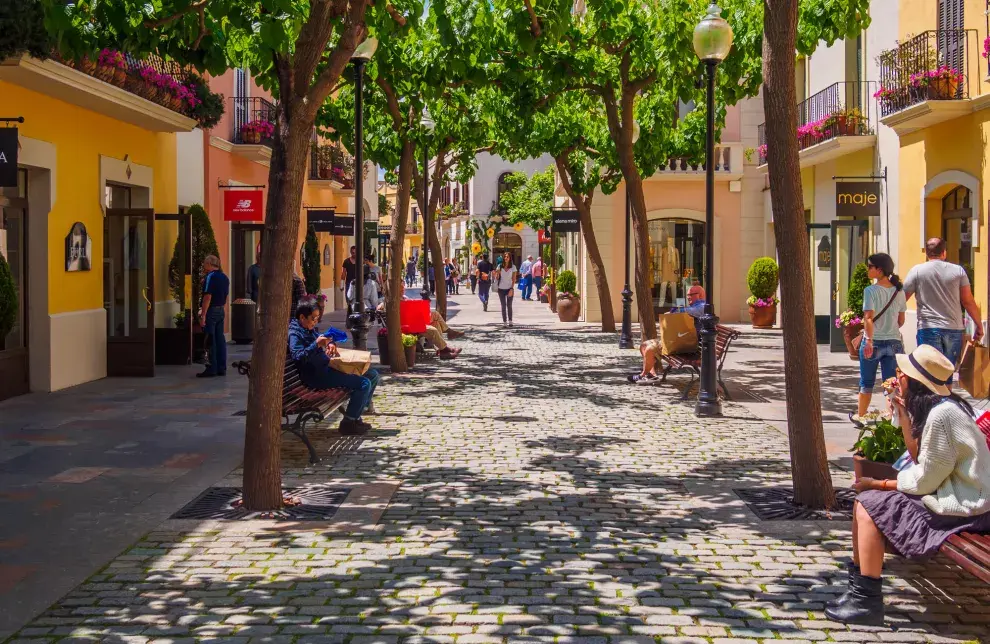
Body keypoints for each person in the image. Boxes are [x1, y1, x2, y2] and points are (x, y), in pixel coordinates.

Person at [826, 344, 990, 626]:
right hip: (955, 497)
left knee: (868, 503)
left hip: (965, 506)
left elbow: (925, 478)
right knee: (865, 501)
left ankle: (866, 601)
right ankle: (858, 589)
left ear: (915, 381)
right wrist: (903, 415)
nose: (898, 375)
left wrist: (881, 483)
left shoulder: (943, 415)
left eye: (903, 372)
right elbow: (919, 458)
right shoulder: (940, 409)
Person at [289, 297, 380, 435]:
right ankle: (348, 422)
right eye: (313, 318)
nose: (315, 322)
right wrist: (317, 345)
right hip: (316, 377)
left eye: (317, 318)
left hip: (327, 367)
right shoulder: (295, 333)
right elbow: (298, 356)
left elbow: (320, 339)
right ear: (302, 317)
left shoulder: (308, 328)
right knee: (363, 384)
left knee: (372, 375)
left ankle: (356, 416)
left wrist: (330, 343)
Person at [904, 237, 983, 380]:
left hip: (928, 328)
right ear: (944, 252)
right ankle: (946, 401)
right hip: (954, 329)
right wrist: (979, 325)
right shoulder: (958, 271)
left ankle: (932, 401)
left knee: (929, 374)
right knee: (947, 374)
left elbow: (901, 299)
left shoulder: (917, 271)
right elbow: (968, 301)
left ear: (927, 253)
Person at [850, 253, 907, 427]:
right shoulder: (899, 291)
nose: (868, 269)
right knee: (891, 384)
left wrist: (868, 340)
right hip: (894, 343)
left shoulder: (870, 291)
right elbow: (901, 320)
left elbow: (868, 318)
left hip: (873, 343)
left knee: (866, 382)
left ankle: (861, 416)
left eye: (870, 266)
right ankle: (893, 419)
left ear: (879, 270)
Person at [628, 286, 706, 385]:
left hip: (687, 347)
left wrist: (676, 310)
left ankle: (642, 375)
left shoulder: (703, 306)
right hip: (681, 341)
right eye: (687, 295)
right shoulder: (694, 306)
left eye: (691, 295)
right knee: (644, 345)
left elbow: (693, 311)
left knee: (649, 349)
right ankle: (651, 375)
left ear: (700, 295)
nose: (688, 297)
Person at [376, 283, 463, 358]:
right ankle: (444, 348)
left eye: (403, 287)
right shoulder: (389, 302)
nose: (403, 289)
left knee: (435, 320)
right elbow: (381, 307)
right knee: (433, 329)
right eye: (401, 288)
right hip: (406, 326)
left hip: (414, 322)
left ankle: (443, 349)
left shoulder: (404, 297)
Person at [197, 255, 229, 378]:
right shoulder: (224, 277)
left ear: (209, 264)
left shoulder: (211, 277)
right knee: (220, 339)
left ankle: (211, 367)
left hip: (211, 311)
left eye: (205, 263)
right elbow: (225, 295)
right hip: (221, 309)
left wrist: (203, 315)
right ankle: (221, 367)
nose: (204, 266)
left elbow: (207, 297)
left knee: (210, 339)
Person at [494, 251, 518, 327]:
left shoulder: (513, 267)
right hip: (501, 288)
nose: (506, 258)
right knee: (503, 306)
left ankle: (510, 321)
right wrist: (497, 274)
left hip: (509, 288)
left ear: (510, 258)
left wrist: (511, 288)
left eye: (507, 257)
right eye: (505, 257)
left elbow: (514, 279)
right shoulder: (500, 266)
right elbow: (497, 277)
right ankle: (504, 322)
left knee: (509, 305)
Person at [340, 245, 358, 316]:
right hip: (349, 283)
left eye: (355, 252)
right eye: (352, 252)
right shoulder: (346, 261)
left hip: (358, 283)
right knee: (348, 298)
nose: (353, 254)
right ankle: (350, 311)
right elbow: (343, 273)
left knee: (357, 299)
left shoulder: (360, 261)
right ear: (350, 252)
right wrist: (341, 284)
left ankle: (355, 312)